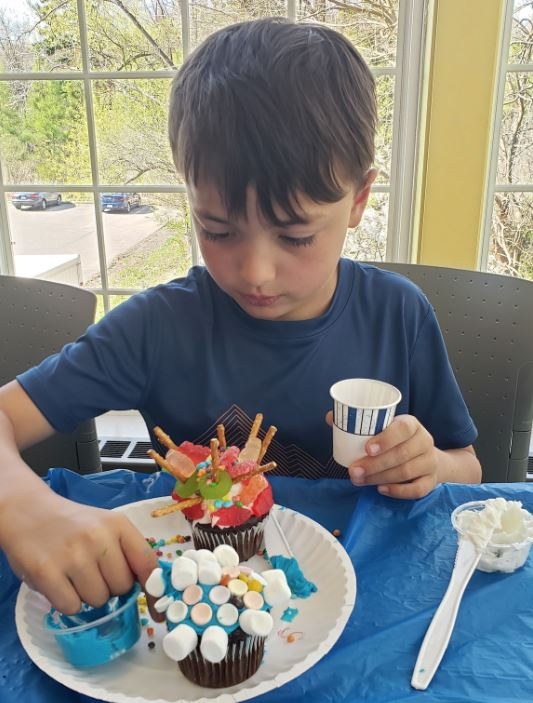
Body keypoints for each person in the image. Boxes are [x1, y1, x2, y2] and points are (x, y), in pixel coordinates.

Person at [0, 18, 481, 615]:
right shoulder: (158, 327)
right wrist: (20, 505)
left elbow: (470, 468)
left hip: (370, 600)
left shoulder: (398, 315)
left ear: (357, 200)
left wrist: (430, 464)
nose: (255, 272)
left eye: (296, 236)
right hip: (197, 603)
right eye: (218, 230)